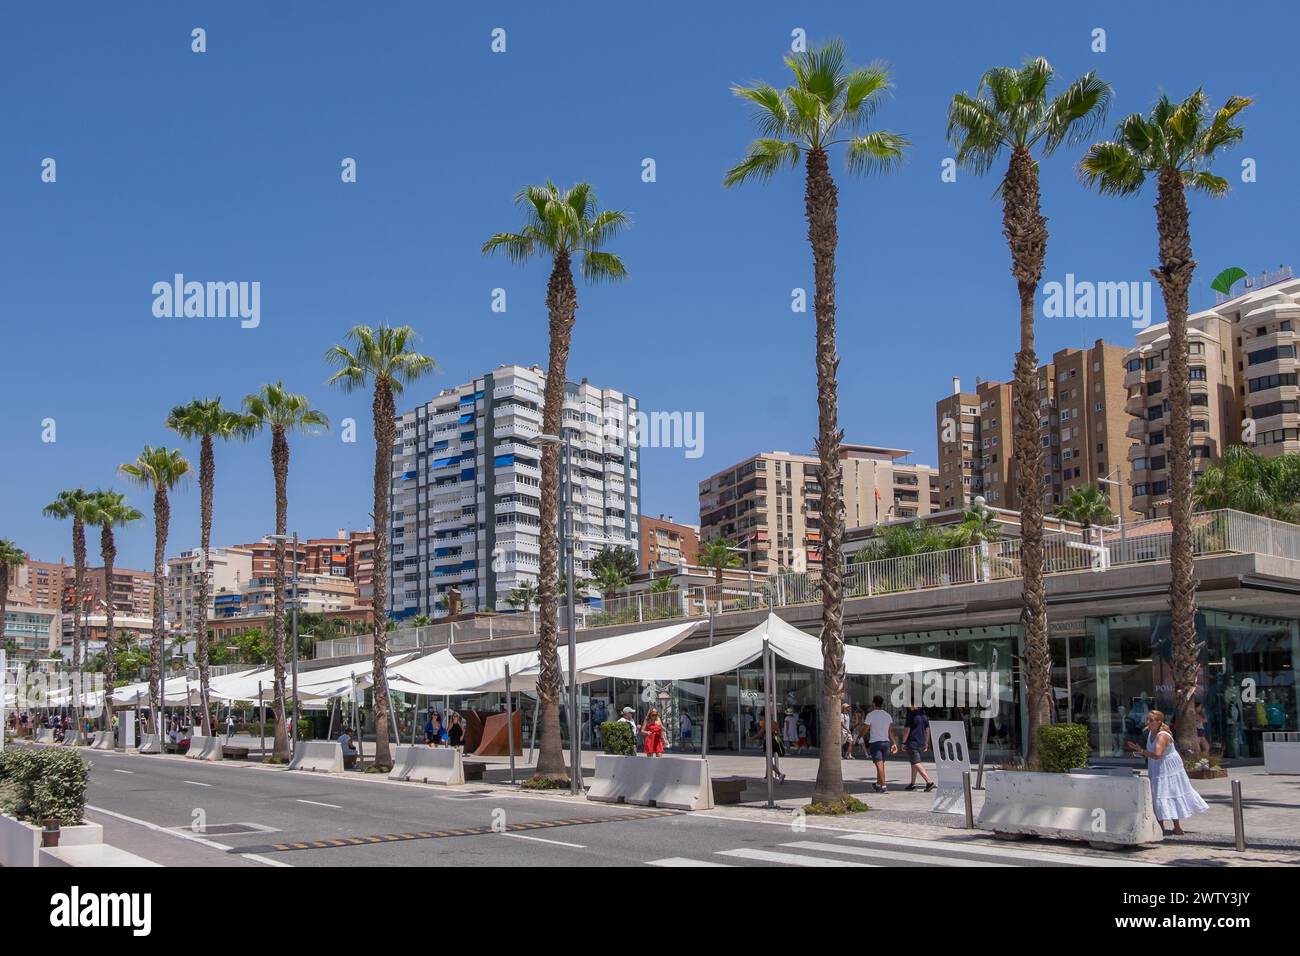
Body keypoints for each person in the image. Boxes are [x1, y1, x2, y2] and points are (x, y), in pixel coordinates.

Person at [1126, 710, 1210, 835]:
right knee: (1158, 794)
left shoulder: (1162, 736)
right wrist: (1139, 751)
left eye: (1151, 720)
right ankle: (1162, 826)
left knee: (1167, 793)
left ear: (1159, 722)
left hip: (1167, 766)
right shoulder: (1150, 733)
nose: (1148, 722)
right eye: (1147, 719)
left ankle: (1175, 826)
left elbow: (1157, 754)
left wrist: (1141, 751)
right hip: (1157, 765)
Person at [864, 696, 897, 793]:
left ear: (873, 703)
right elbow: (891, 731)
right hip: (885, 743)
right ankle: (878, 784)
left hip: (875, 742)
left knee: (879, 765)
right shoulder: (887, 715)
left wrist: (859, 737)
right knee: (881, 764)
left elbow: (865, 728)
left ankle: (884, 786)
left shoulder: (870, 715)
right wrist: (894, 743)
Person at [901, 705, 935, 792]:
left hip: (912, 742)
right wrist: (926, 742)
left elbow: (907, 729)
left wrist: (903, 742)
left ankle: (929, 782)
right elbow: (927, 730)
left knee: (916, 763)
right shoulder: (924, 715)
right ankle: (912, 784)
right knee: (913, 763)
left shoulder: (911, 715)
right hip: (921, 742)